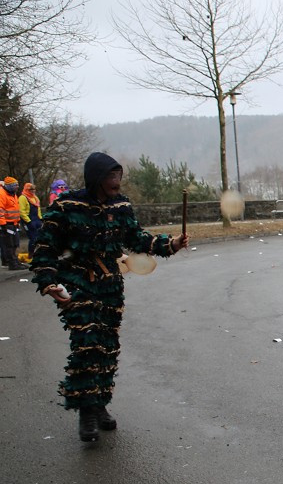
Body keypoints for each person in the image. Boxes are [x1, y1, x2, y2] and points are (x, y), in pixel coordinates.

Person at [30, 152, 189, 443]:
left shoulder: (122, 205)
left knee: (107, 347)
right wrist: (48, 281)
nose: (116, 181)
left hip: (110, 286)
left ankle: (99, 403)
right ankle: (86, 413)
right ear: (96, 178)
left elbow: (137, 238)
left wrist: (171, 243)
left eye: (119, 175)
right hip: (77, 283)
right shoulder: (67, 207)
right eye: (110, 176)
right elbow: (44, 248)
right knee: (87, 343)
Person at [1, 176, 24, 270]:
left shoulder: (12, 194)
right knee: (9, 245)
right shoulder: (2, 194)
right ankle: (12, 263)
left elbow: (15, 209)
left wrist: (17, 221)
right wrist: (3, 224)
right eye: (15, 185)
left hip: (13, 223)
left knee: (14, 243)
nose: (17, 187)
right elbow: (1, 210)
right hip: (7, 224)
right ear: (9, 185)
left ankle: (15, 261)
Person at [19, 182, 42, 258]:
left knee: (39, 237)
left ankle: (38, 253)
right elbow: (21, 211)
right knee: (33, 238)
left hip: (37, 219)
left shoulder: (35, 198)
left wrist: (40, 219)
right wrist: (28, 221)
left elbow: (38, 209)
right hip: (28, 220)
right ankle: (30, 254)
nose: (33, 191)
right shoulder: (23, 198)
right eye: (31, 189)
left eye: (34, 189)